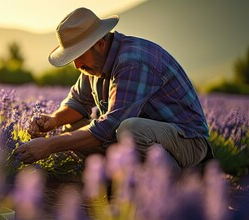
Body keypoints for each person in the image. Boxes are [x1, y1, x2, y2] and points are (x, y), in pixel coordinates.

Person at [13, 7, 213, 176]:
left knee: (130, 129)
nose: (75, 64)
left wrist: (49, 146)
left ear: (99, 43)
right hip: (144, 139)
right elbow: (77, 102)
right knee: (71, 128)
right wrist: (54, 120)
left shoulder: (133, 62)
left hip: (186, 141)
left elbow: (110, 126)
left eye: (78, 54)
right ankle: (118, 179)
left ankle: (177, 183)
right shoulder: (94, 63)